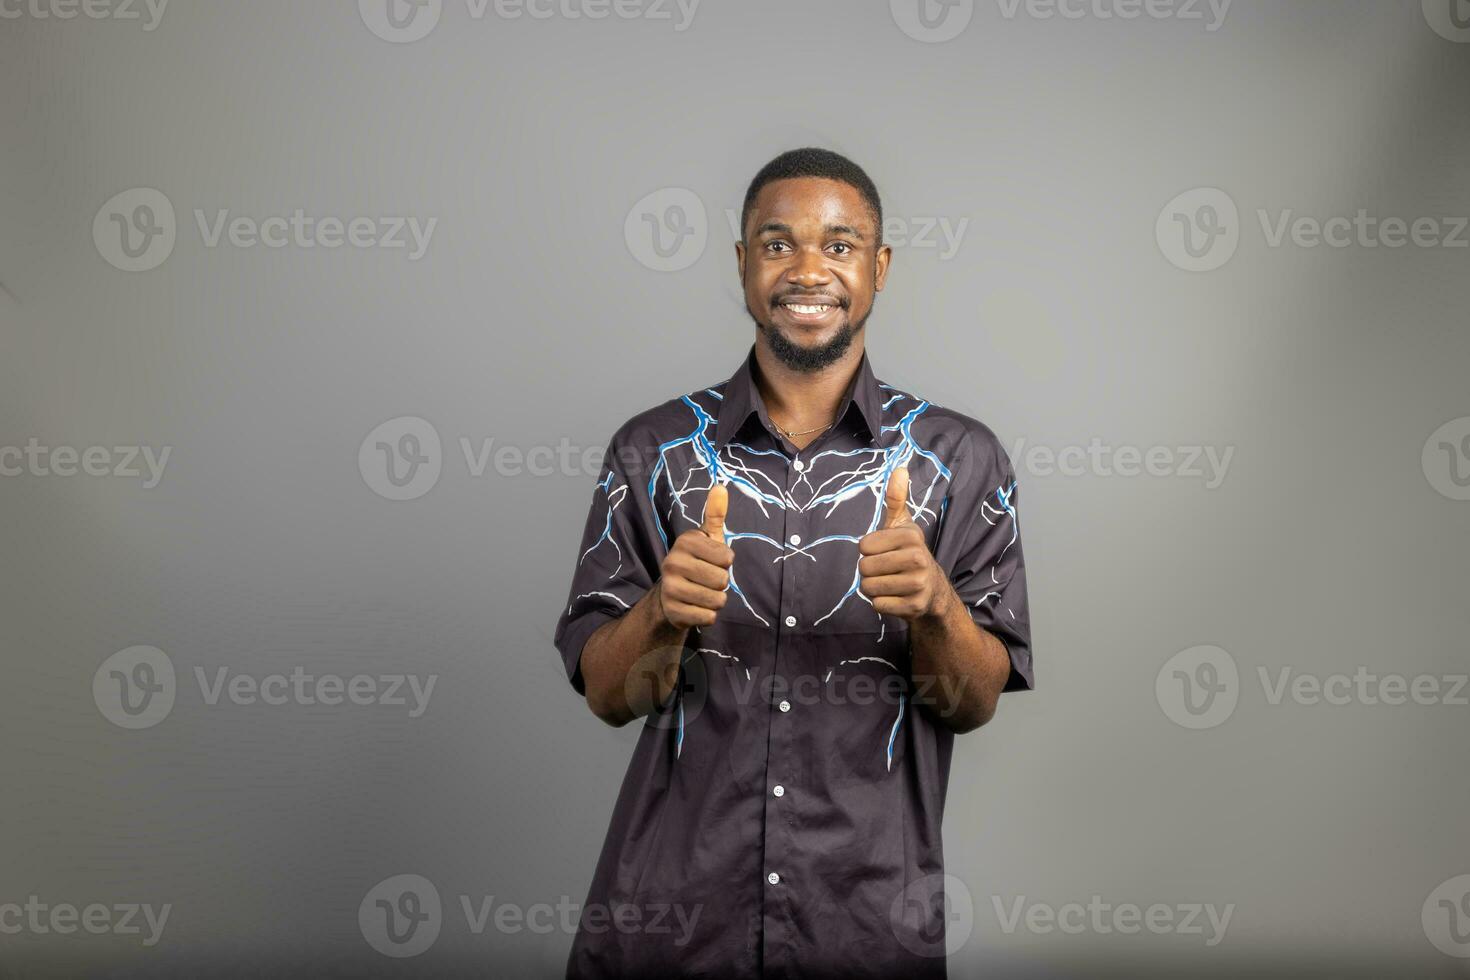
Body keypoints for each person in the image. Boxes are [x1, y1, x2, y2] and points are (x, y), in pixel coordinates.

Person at [553, 147, 1034, 979]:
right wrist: (661, 611)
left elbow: (974, 703)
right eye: (778, 245)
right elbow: (606, 696)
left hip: (867, 927)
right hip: (668, 927)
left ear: (880, 269)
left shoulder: (959, 461)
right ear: (742, 265)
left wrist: (935, 609)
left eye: (840, 246)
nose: (809, 269)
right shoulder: (654, 452)